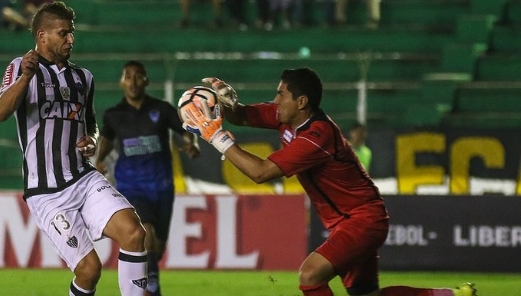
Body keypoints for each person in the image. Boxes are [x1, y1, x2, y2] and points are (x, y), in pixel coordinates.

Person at [182, 69, 477, 296]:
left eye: (281, 94)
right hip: (350, 219)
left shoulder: (318, 136)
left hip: (361, 219)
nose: (275, 100)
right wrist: (228, 103)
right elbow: (243, 116)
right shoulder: (287, 116)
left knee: (310, 275)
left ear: (302, 101)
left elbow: (260, 172)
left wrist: (215, 138)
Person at [0, 1, 147, 296]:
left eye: (71, 33)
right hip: (47, 191)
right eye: (63, 33)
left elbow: (90, 124)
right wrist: (25, 77)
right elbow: (0, 112)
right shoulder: (21, 67)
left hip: (82, 177)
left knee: (134, 233)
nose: (71, 39)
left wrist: (92, 139)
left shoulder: (83, 78)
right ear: (42, 36)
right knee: (89, 270)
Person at [95, 60, 200, 296]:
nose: (133, 81)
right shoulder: (114, 115)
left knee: (156, 249)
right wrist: (99, 160)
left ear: (146, 80)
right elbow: (108, 140)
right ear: (121, 82)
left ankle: (151, 279)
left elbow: (184, 132)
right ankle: (151, 289)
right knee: (146, 234)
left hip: (162, 187)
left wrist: (191, 144)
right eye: (128, 76)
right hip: (131, 187)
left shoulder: (162, 110)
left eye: (138, 76)